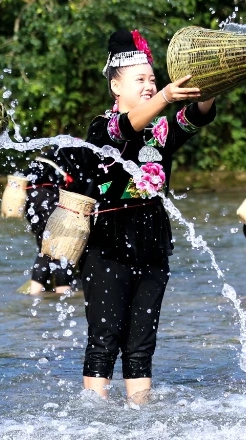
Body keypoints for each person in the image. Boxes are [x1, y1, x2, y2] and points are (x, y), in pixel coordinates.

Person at [61, 29, 215, 403]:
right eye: (140, 80)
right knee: (104, 340)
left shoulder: (160, 132)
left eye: (152, 79)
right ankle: (94, 424)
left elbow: (196, 115)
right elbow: (123, 128)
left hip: (153, 246)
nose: (149, 85)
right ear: (116, 86)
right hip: (106, 248)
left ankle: (140, 422)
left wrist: (212, 82)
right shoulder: (100, 128)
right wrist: (164, 97)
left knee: (142, 344)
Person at [21, 147, 77, 295]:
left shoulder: (36, 164)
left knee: (44, 251)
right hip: (50, 205)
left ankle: (34, 295)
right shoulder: (63, 161)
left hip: (33, 206)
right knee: (63, 252)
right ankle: (63, 294)